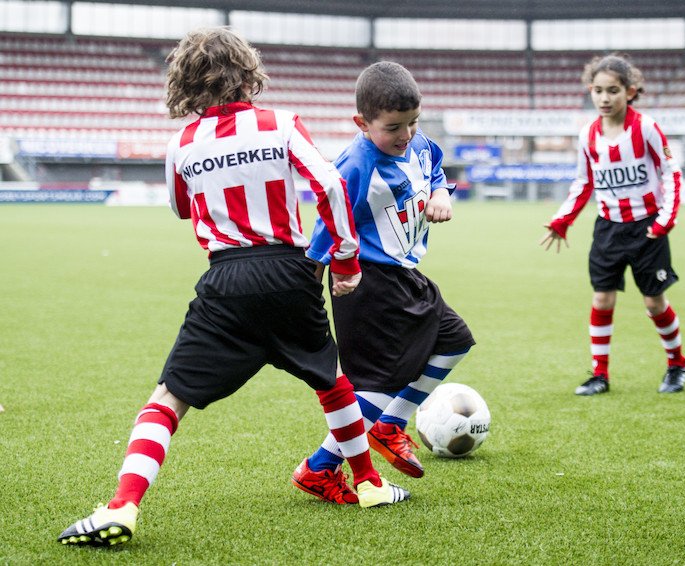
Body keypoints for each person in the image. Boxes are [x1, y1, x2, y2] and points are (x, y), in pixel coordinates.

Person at [57, 28, 409, 548]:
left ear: (187, 84)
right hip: (290, 272)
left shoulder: (181, 143)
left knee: (167, 399)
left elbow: (180, 207)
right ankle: (371, 484)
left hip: (226, 276)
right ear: (248, 73)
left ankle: (123, 506)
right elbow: (330, 185)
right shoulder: (281, 123)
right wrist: (345, 259)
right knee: (332, 381)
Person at [290, 61, 475, 503]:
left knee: (455, 339)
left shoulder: (418, 143)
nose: (406, 134)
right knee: (377, 384)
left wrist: (440, 193)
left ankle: (390, 426)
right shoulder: (355, 166)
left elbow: (433, 165)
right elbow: (326, 228)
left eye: (413, 122)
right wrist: (309, 291)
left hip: (405, 275)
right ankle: (319, 468)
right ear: (362, 123)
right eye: (393, 127)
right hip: (365, 283)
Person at [540, 54, 685, 396]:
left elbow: (671, 172)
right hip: (608, 228)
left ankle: (677, 365)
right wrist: (563, 220)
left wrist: (666, 219)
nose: (604, 98)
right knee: (602, 299)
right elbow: (584, 182)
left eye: (613, 90)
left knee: (654, 303)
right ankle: (600, 375)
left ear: (630, 91)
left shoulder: (646, 128)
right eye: (598, 91)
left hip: (647, 228)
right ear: (590, 92)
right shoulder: (587, 135)